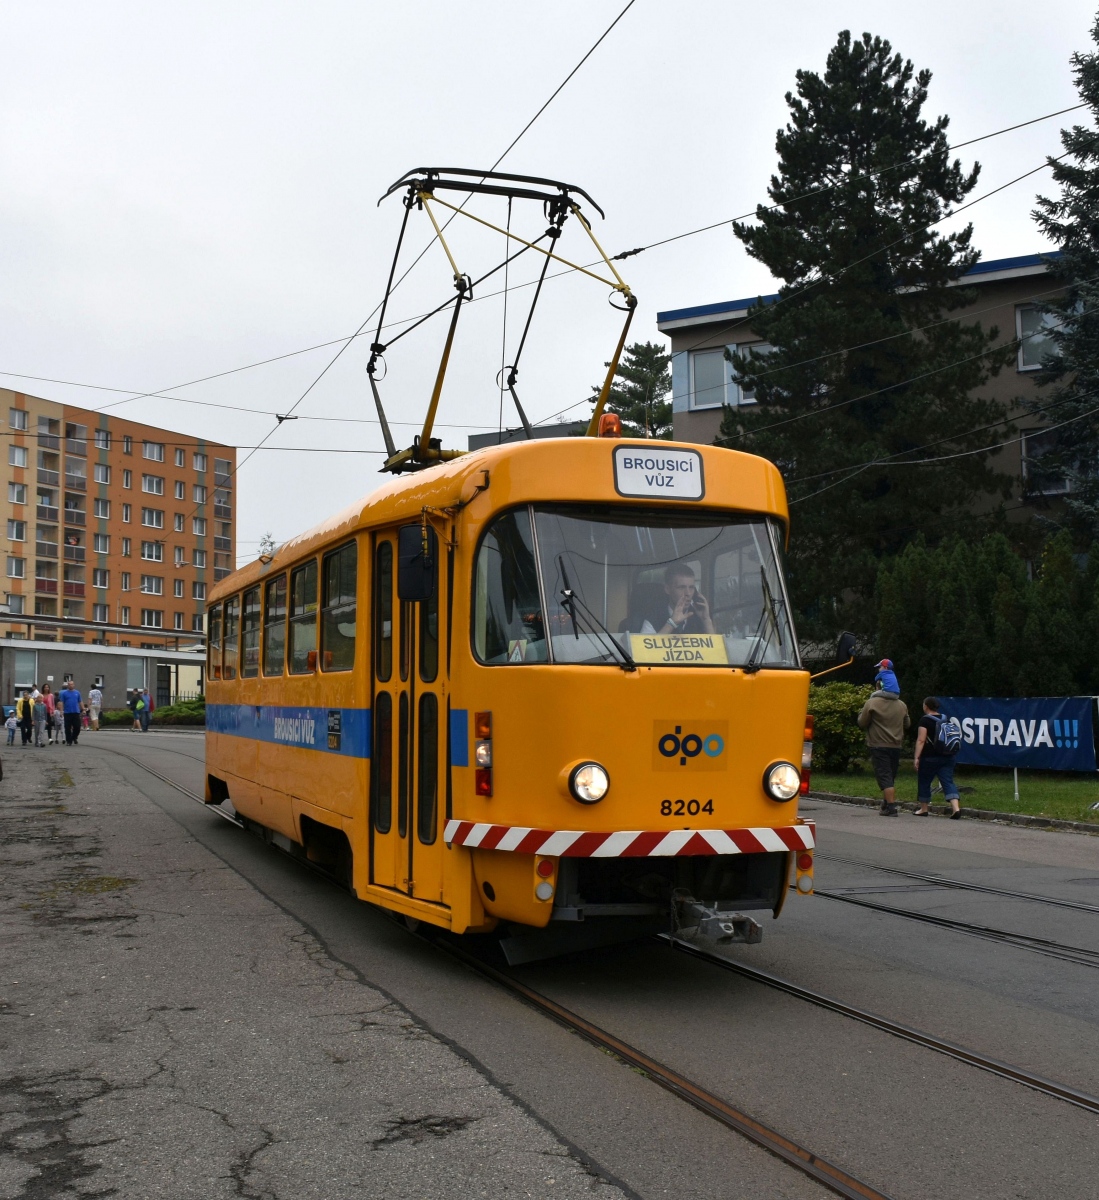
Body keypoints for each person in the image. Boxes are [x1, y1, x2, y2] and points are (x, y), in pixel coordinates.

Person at [857, 677, 910, 817]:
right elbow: (907, 724)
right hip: (896, 745)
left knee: (884, 776)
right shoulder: (902, 704)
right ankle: (886, 804)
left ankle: (892, 807)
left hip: (878, 744)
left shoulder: (872, 702)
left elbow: (862, 723)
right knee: (891, 775)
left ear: (878, 687)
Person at [913, 697, 962, 819]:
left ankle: (924, 809)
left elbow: (921, 740)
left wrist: (916, 757)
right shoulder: (947, 718)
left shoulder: (924, 721)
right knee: (948, 781)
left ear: (926, 706)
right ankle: (956, 808)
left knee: (924, 781)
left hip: (929, 757)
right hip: (948, 756)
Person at [638, 563, 715, 635]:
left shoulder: (698, 615)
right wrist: (672, 623)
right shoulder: (653, 618)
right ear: (668, 589)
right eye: (681, 587)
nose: (688, 593)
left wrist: (706, 620)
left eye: (691, 587)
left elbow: (716, 648)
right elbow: (645, 649)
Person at [59, 680, 84, 746]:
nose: (70, 685)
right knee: (67, 727)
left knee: (77, 727)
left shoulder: (77, 693)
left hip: (76, 712)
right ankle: (69, 741)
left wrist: (83, 709)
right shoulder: (64, 693)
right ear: (68, 685)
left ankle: (74, 737)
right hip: (67, 712)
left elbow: (80, 701)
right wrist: (61, 711)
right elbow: (61, 702)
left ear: (74, 685)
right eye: (69, 684)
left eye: (72, 684)